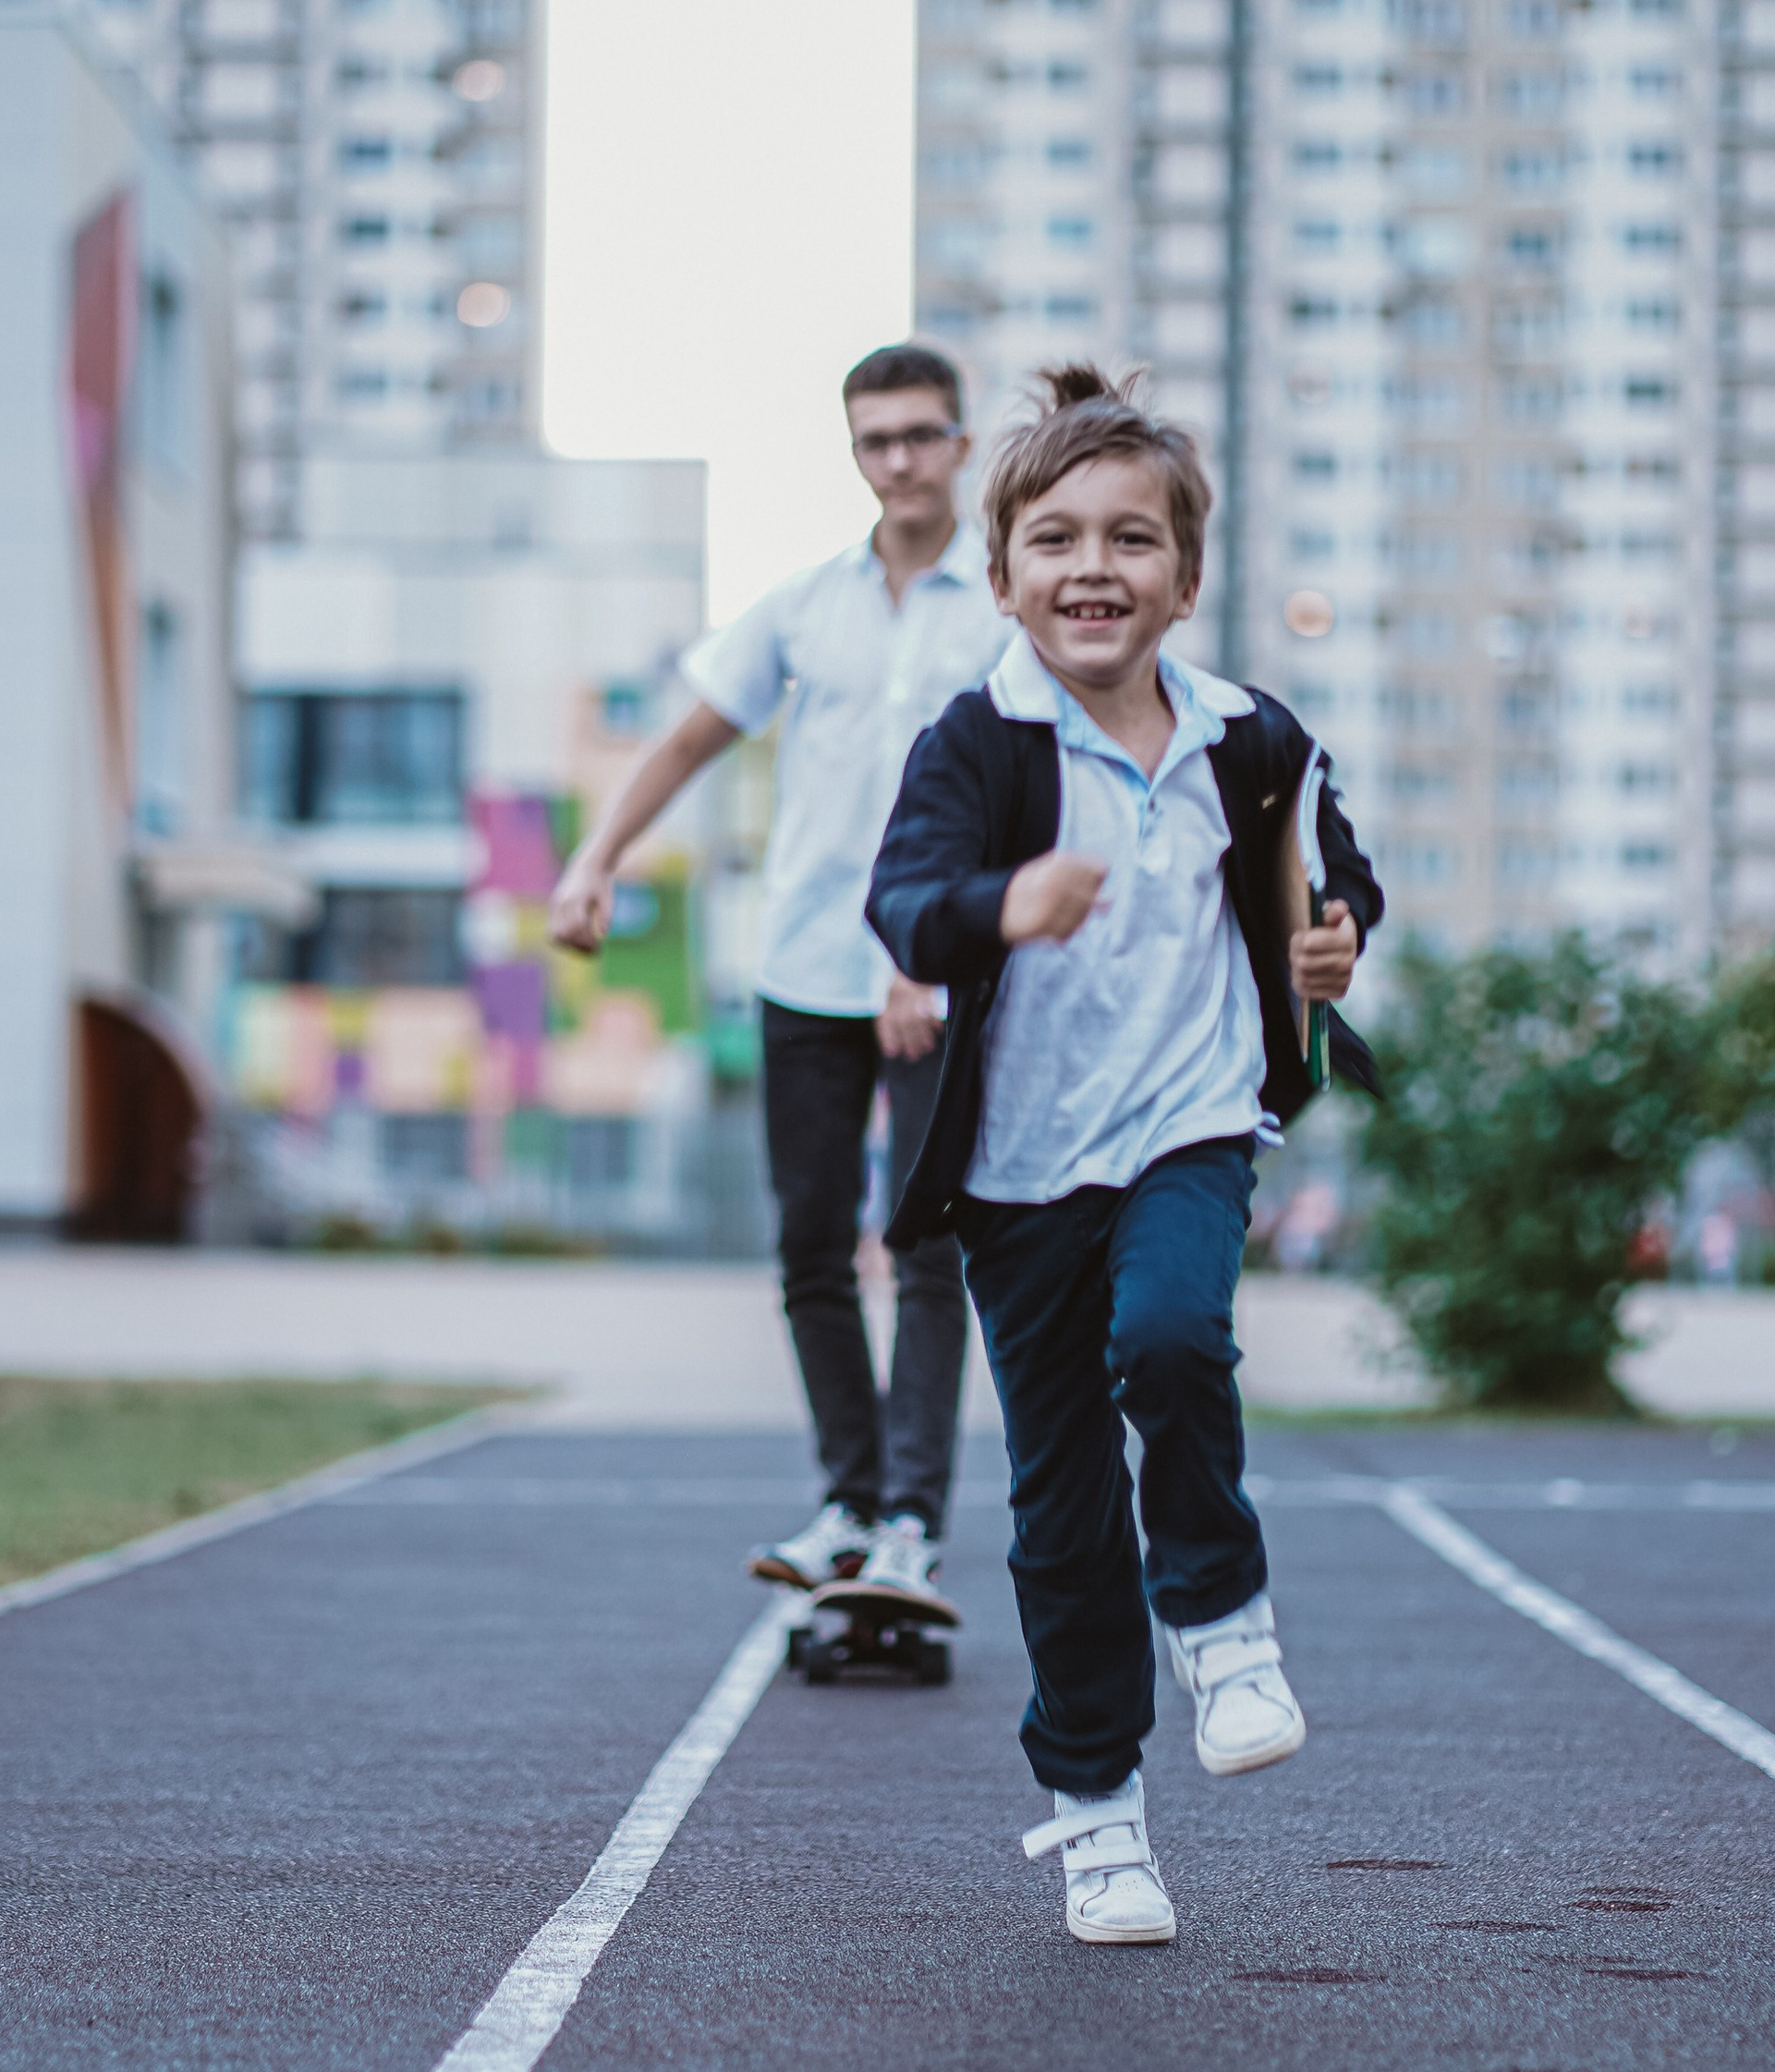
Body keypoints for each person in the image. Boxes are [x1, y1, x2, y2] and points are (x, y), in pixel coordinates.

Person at [867, 366, 1384, 1946]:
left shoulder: (1250, 739)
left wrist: (1338, 942)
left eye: (1134, 540)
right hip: (1021, 1177)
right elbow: (904, 900)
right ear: (1008, 573)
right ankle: (1098, 1815)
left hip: (1191, 1125)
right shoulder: (980, 743)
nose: (1097, 568)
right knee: (1063, 1509)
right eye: (1060, 540)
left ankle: (1223, 1617)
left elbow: (1334, 873)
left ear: (1186, 576)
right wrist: (996, 910)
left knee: (1172, 1335)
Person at [550, 341, 1009, 1612]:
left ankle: (914, 1520)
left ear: (962, 446)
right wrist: (598, 855)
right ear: (855, 455)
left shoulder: (1007, 611)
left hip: (938, 980)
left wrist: (940, 945)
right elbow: (692, 732)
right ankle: (849, 1505)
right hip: (804, 966)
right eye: (877, 440)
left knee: (923, 1250)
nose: (901, 461)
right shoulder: (807, 605)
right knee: (810, 1247)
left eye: (922, 434)